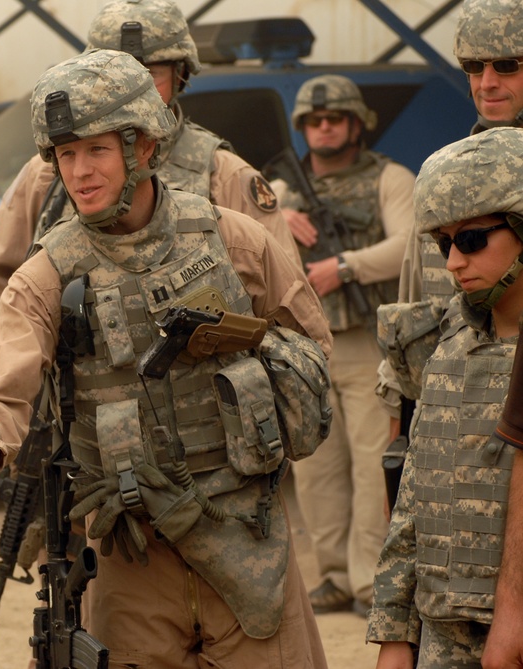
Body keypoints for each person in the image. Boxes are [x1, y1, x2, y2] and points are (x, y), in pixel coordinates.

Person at [0, 48, 333, 668]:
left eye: (96, 150)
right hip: (130, 550)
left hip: (248, 532)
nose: (80, 172)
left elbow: (309, 350)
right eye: (66, 155)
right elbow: (1, 381)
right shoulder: (49, 271)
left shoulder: (234, 239)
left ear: (144, 149)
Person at [0, 0, 299, 351]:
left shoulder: (222, 173)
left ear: (180, 74)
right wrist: (19, 377)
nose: (131, 89)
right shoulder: (49, 173)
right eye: (112, 76)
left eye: (148, 74)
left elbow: (287, 305)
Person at [366, 127, 523, 669]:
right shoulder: (451, 338)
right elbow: (415, 494)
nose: (454, 261)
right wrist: (393, 634)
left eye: (473, 240)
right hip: (443, 631)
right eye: (443, 243)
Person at [270, 73, 414, 616]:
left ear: (357, 124)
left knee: (372, 462)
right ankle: (331, 574)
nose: (323, 128)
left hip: (365, 343)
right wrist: (276, 217)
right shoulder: (280, 189)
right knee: (316, 467)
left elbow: (408, 245)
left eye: (334, 119)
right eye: (313, 121)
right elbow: (236, 229)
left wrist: (345, 267)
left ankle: (368, 581)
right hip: (304, 344)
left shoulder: (390, 178)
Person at [377, 0, 523, 429]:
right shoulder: (447, 181)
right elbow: (410, 333)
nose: (487, 83)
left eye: (508, 65)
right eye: (475, 68)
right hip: (455, 441)